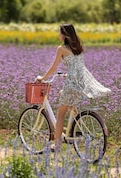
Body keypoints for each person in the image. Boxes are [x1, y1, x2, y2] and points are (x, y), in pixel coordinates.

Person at [36, 23, 111, 151]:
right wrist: (68, 74)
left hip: (72, 82)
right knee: (63, 95)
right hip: (81, 81)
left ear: (64, 34)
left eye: (59, 32)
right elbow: (77, 65)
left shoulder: (61, 49)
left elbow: (54, 68)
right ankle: (75, 127)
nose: (58, 35)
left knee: (60, 114)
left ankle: (57, 144)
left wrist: (42, 78)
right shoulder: (78, 47)